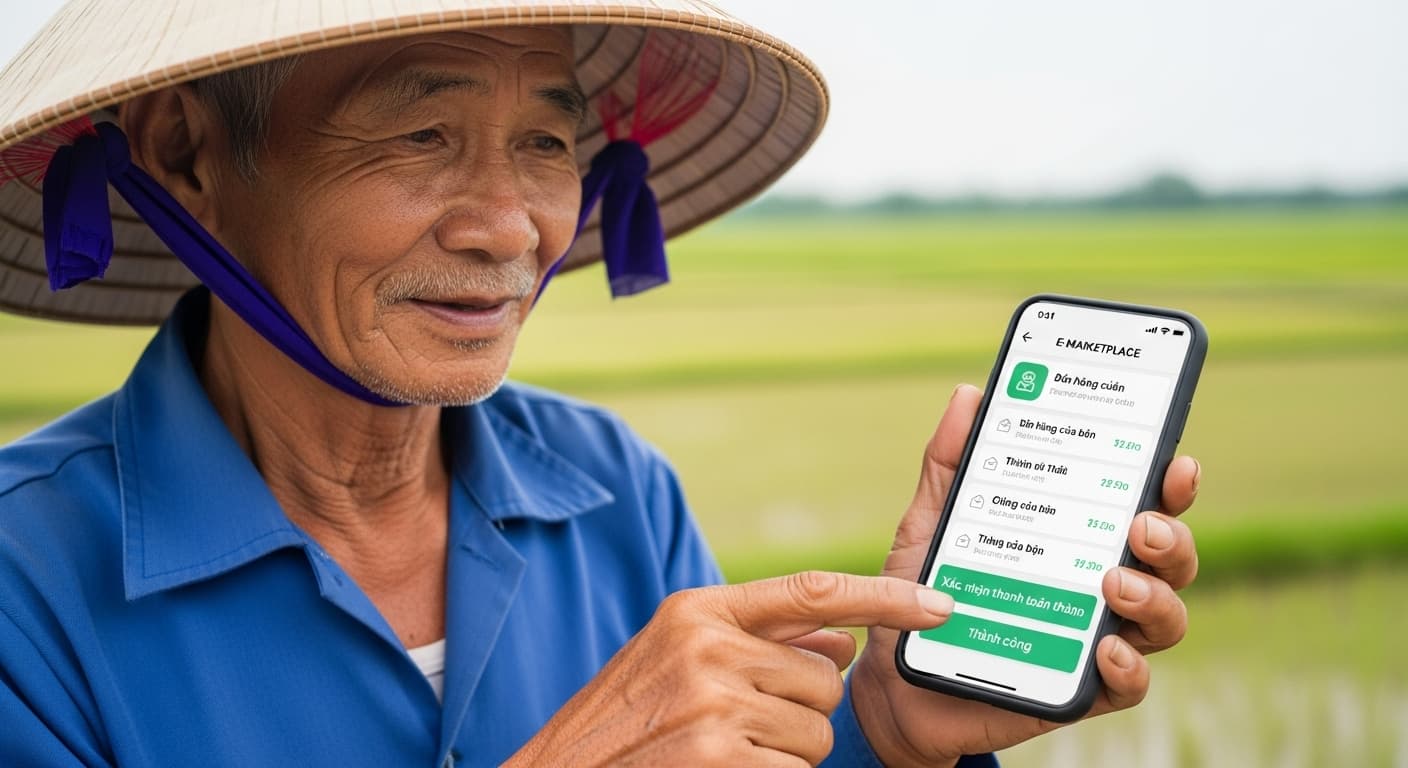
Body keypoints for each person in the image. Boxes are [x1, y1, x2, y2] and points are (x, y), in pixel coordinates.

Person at [0, 2, 1201, 766]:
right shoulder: (25, 589)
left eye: (546, 143)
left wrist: (878, 731)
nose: (509, 227)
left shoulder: (612, 492)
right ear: (183, 153)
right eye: (420, 136)